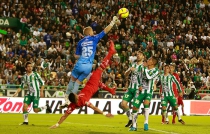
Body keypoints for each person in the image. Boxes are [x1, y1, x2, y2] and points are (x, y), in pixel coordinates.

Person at [50, 41, 117, 129]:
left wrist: (57, 124)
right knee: (101, 68)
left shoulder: (72, 105)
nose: (76, 93)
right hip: (92, 83)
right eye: (75, 95)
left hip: (93, 85)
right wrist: (104, 113)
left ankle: (111, 91)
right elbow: (94, 108)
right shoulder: (83, 100)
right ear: (76, 98)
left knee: (100, 84)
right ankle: (111, 51)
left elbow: (65, 116)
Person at [60, 16, 120, 109]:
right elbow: (105, 30)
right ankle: (70, 102)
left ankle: (66, 100)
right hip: (88, 67)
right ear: (89, 33)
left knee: (72, 81)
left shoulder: (80, 42)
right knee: (77, 84)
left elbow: (76, 55)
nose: (93, 32)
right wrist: (112, 22)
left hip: (80, 64)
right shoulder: (94, 38)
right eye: (92, 31)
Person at [129, 56, 159, 131]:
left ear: (153, 62)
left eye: (149, 59)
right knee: (135, 107)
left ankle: (146, 122)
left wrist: (144, 68)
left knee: (146, 103)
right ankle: (134, 125)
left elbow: (149, 77)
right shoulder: (143, 68)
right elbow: (139, 77)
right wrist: (139, 85)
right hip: (141, 92)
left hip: (149, 91)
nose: (148, 60)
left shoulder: (156, 70)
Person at [119, 51, 145, 127]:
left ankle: (134, 123)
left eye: (140, 54)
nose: (138, 56)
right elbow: (125, 74)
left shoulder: (144, 66)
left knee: (135, 106)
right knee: (123, 104)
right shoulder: (133, 65)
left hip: (138, 89)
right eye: (137, 54)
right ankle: (130, 119)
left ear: (143, 57)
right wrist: (130, 70)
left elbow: (145, 77)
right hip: (130, 88)